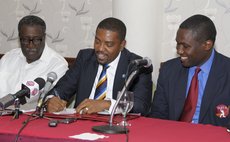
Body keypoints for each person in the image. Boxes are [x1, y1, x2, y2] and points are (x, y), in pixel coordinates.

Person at [46, 17, 153, 116]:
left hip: (116, 128)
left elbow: (141, 106)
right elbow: (60, 90)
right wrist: (51, 100)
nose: (100, 49)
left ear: (122, 45)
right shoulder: (85, 58)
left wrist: (106, 104)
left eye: (109, 44)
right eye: (97, 41)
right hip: (81, 123)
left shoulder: (136, 66)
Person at [149, 14, 230, 127]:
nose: (179, 51)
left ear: (207, 45)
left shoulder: (226, 71)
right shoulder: (169, 70)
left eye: (185, 46)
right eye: (178, 44)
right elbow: (158, 116)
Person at [0, 15, 68, 110]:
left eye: (36, 40)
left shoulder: (57, 65)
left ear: (44, 37)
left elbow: (51, 102)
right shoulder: (8, 58)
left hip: (29, 120)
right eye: (25, 40)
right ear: (19, 38)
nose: (30, 45)